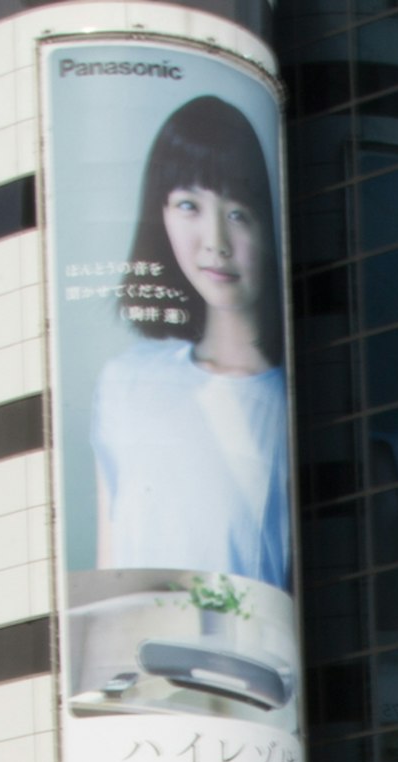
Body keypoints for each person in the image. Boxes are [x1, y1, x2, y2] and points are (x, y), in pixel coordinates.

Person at [90, 92, 295, 588]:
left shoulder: (287, 403)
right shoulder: (125, 382)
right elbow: (109, 565)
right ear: (160, 214)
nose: (215, 242)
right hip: (141, 657)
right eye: (189, 205)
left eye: (238, 213)